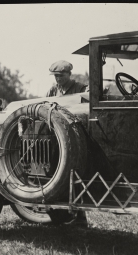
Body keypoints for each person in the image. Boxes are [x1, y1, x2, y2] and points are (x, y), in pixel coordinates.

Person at [46, 60, 90, 227]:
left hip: (77, 138)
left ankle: (80, 217)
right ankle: (59, 216)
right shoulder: (52, 90)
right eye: (55, 76)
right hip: (56, 140)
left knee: (76, 175)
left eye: (61, 75)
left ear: (69, 75)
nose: (58, 79)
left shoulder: (80, 88)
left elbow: (89, 98)